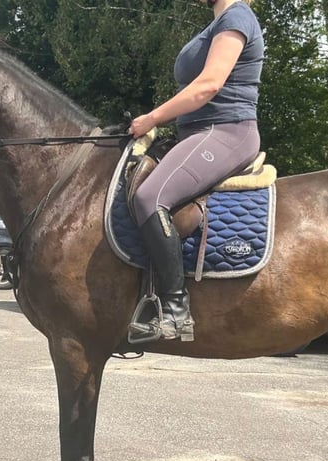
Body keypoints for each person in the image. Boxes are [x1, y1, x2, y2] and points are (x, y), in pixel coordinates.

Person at [128, 0, 264, 342]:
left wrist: (153, 118)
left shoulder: (237, 16)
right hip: (200, 133)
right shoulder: (216, 24)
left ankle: (175, 311)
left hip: (227, 131)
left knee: (150, 197)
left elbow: (209, 85)